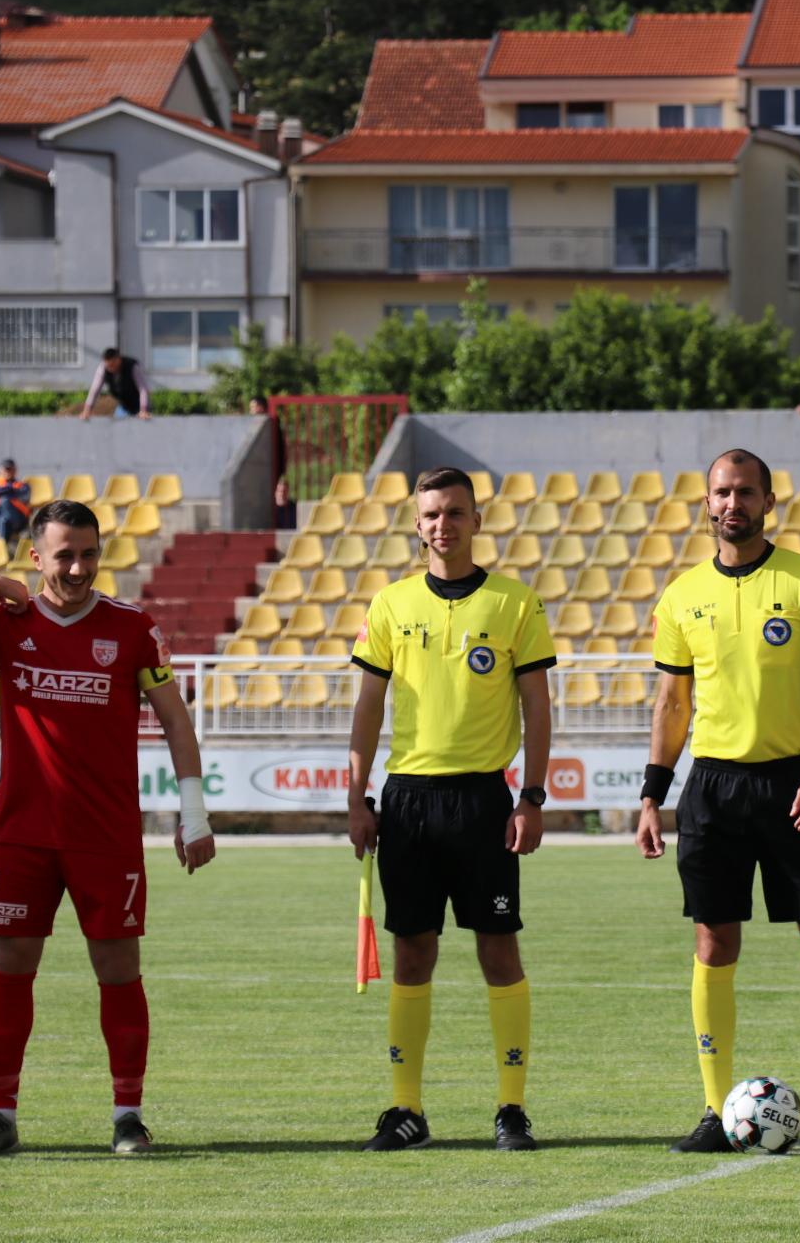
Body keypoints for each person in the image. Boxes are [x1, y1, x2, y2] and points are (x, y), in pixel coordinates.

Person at [0, 499, 217, 1157]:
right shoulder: (5, 624)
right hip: (22, 831)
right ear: (36, 557)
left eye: (88, 554)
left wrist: (194, 814)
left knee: (117, 968)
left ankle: (128, 1117)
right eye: (63, 555)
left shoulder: (134, 629)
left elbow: (175, 720)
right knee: (11, 965)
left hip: (105, 835)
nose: (77, 568)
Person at [637, 448, 800, 1158]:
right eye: (721, 492)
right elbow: (671, 702)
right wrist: (652, 794)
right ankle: (712, 1110)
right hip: (713, 790)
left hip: (794, 785)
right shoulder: (683, 594)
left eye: (745, 492)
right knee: (714, 942)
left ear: (768, 501)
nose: (732, 504)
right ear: (706, 502)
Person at [346, 467, 556, 1153]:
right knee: (413, 953)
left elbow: (536, 706)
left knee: (499, 949)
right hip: (407, 800)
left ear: (477, 519)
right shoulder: (390, 605)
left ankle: (512, 1108)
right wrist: (357, 794)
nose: (445, 524)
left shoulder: (514, 603)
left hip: (482, 800)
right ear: (417, 524)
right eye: (432, 514)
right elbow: (369, 706)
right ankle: (406, 1109)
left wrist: (531, 795)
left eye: (456, 512)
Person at [81, 349, 151, 420]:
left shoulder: (132, 367)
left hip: (139, 403)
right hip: (124, 405)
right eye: (108, 366)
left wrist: (143, 410)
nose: (110, 369)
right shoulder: (102, 368)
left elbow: (143, 389)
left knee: (142, 424)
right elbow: (95, 390)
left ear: (118, 360)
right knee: (118, 425)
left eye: (112, 365)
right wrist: (87, 410)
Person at [0, 459, 31, 543]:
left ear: (15, 470)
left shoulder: (23, 485)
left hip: (17, 520)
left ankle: (1, 546)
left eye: (11, 469)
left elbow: (25, 497)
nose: (8, 472)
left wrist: (2, 492)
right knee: (3, 520)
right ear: (0, 470)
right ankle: (4, 548)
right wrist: (11, 490)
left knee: (4, 501)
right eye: (6, 469)